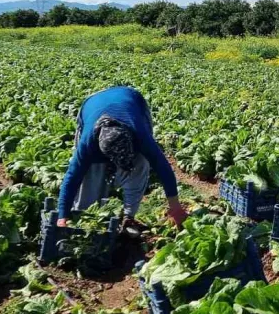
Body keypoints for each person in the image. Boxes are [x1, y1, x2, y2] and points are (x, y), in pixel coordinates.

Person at [56, 86, 187, 234]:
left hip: (132, 100)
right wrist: (62, 216)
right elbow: (72, 178)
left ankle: (128, 217)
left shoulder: (140, 135)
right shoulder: (88, 145)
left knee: (140, 164)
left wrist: (175, 207)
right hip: (92, 103)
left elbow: (163, 168)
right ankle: (85, 216)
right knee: (91, 176)